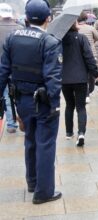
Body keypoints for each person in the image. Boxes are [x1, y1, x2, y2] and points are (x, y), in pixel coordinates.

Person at [0, 0, 62, 204]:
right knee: (45, 144)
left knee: (30, 141)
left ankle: (32, 182)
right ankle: (44, 192)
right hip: (43, 101)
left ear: (26, 18)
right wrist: (54, 104)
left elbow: (3, 71)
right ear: (48, 18)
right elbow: (53, 77)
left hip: (21, 100)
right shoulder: (49, 42)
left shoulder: (12, 39)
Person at [62, 21, 98, 146]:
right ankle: (81, 133)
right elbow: (89, 57)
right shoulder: (81, 38)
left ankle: (68, 132)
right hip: (81, 78)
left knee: (69, 105)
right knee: (81, 107)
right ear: (73, 24)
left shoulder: (59, 40)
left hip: (64, 79)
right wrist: (95, 73)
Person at [0, 3, 22, 133]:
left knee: (5, 95)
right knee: (19, 94)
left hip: (1, 66)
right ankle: (22, 119)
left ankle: (11, 124)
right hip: (17, 66)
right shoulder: (20, 28)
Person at [77, 12, 98, 103]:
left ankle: (85, 93)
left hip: (79, 55)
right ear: (86, 19)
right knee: (91, 75)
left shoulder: (76, 29)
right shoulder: (91, 28)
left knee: (83, 75)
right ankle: (89, 92)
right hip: (92, 54)